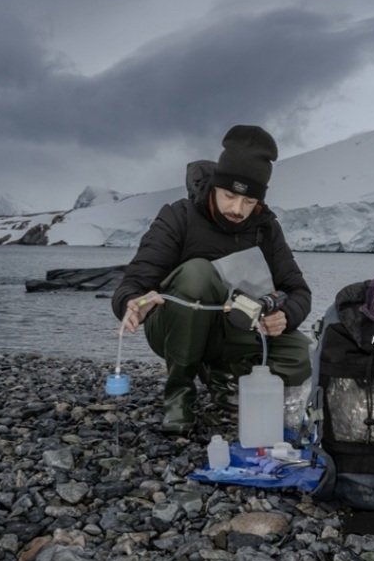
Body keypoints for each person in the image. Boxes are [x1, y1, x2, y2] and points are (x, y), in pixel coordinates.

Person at [111, 125, 313, 435]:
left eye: (248, 202)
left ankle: (223, 377)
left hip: (233, 329)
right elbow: (135, 280)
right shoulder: (179, 217)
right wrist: (131, 304)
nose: (237, 209)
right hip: (173, 326)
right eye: (230, 195)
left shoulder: (265, 229)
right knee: (198, 273)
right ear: (216, 186)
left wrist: (285, 316)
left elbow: (298, 290)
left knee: (299, 353)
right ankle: (179, 395)